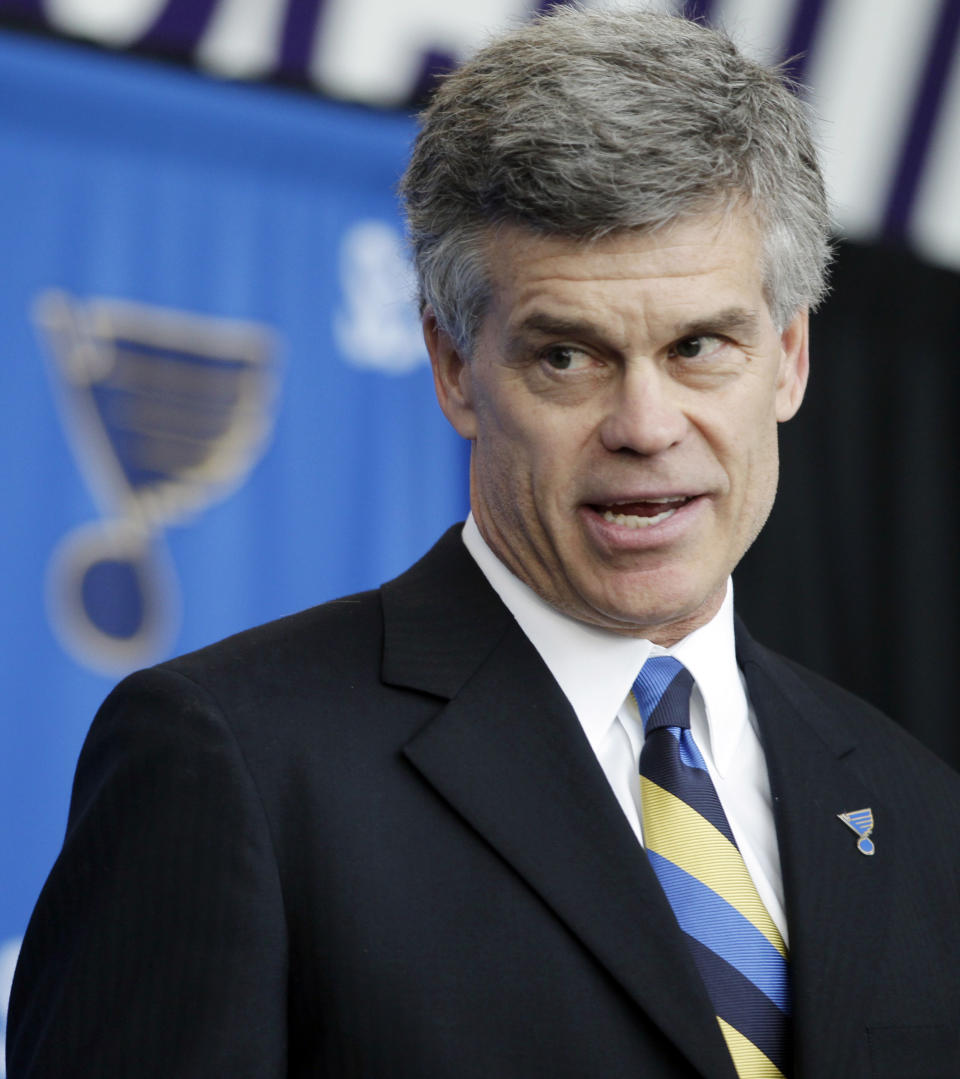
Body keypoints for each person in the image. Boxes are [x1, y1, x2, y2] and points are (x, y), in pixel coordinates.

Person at [8, 8, 960, 1079]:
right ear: (455, 366)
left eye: (700, 346)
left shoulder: (918, 804)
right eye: (567, 356)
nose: (645, 425)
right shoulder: (234, 762)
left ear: (787, 357)